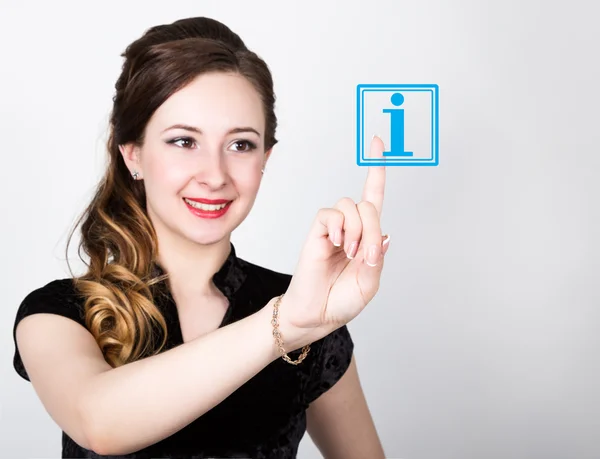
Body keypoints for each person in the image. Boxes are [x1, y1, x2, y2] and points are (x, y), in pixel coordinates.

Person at [11, 16, 391, 459]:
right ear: (133, 153)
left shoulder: (311, 313)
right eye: (183, 141)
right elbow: (99, 423)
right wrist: (286, 324)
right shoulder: (59, 314)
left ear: (265, 157)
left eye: (240, 145)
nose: (214, 176)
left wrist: (302, 320)